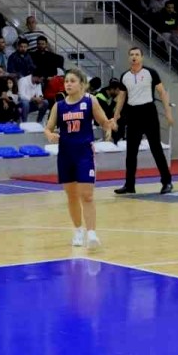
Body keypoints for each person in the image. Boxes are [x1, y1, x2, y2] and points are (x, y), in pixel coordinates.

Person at [44, 69, 116, 249]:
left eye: (72, 81)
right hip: (65, 155)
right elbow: (48, 128)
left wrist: (109, 125)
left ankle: (91, 233)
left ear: (82, 84)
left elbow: (103, 122)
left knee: (87, 195)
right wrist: (50, 135)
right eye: (66, 81)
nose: (68, 84)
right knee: (72, 195)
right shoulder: (59, 106)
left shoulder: (90, 101)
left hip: (84, 153)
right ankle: (78, 230)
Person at [112, 47, 173, 195]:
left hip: (148, 112)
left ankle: (167, 182)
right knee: (131, 152)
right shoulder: (125, 76)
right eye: (132, 55)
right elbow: (122, 96)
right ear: (129, 58)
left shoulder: (150, 73)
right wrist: (116, 115)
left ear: (142, 57)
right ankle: (129, 185)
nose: (134, 57)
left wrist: (168, 112)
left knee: (156, 149)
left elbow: (162, 92)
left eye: (137, 54)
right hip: (133, 114)